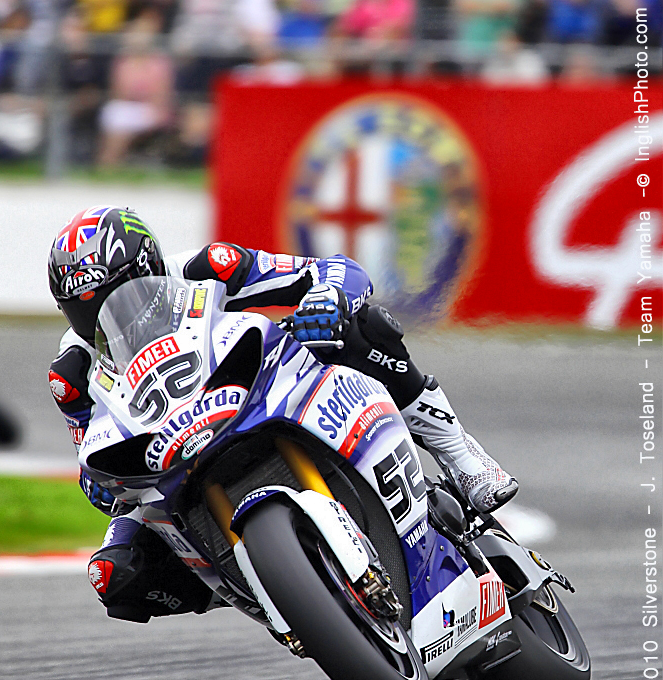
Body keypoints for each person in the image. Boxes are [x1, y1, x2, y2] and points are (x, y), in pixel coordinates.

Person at [47, 208, 518, 623]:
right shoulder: (71, 372)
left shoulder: (208, 268)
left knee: (363, 327)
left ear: (148, 266)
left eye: (115, 294)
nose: (105, 313)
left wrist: (328, 299)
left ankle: (462, 457)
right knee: (116, 575)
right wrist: (104, 481)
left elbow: (338, 272)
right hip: (175, 455)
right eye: (83, 307)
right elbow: (93, 460)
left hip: (264, 389)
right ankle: (265, 586)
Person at [97, 7, 173, 167]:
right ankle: (110, 160)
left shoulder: (159, 62)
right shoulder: (123, 61)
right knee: (115, 113)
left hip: (152, 109)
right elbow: (118, 92)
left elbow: (161, 95)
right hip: (128, 106)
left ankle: (108, 162)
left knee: (122, 120)